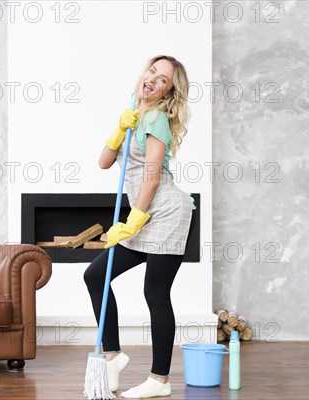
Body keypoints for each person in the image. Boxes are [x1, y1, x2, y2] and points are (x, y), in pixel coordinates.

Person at [83, 55, 196, 398]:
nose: (153, 79)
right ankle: (114, 356)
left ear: (167, 92)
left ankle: (159, 380)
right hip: (145, 210)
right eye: (152, 71)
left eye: (162, 79)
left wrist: (132, 221)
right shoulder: (133, 109)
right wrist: (119, 128)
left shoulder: (157, 119)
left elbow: (150, 176)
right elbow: (104, 162)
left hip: (165, 211)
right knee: (95, 275)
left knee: (155, 293)